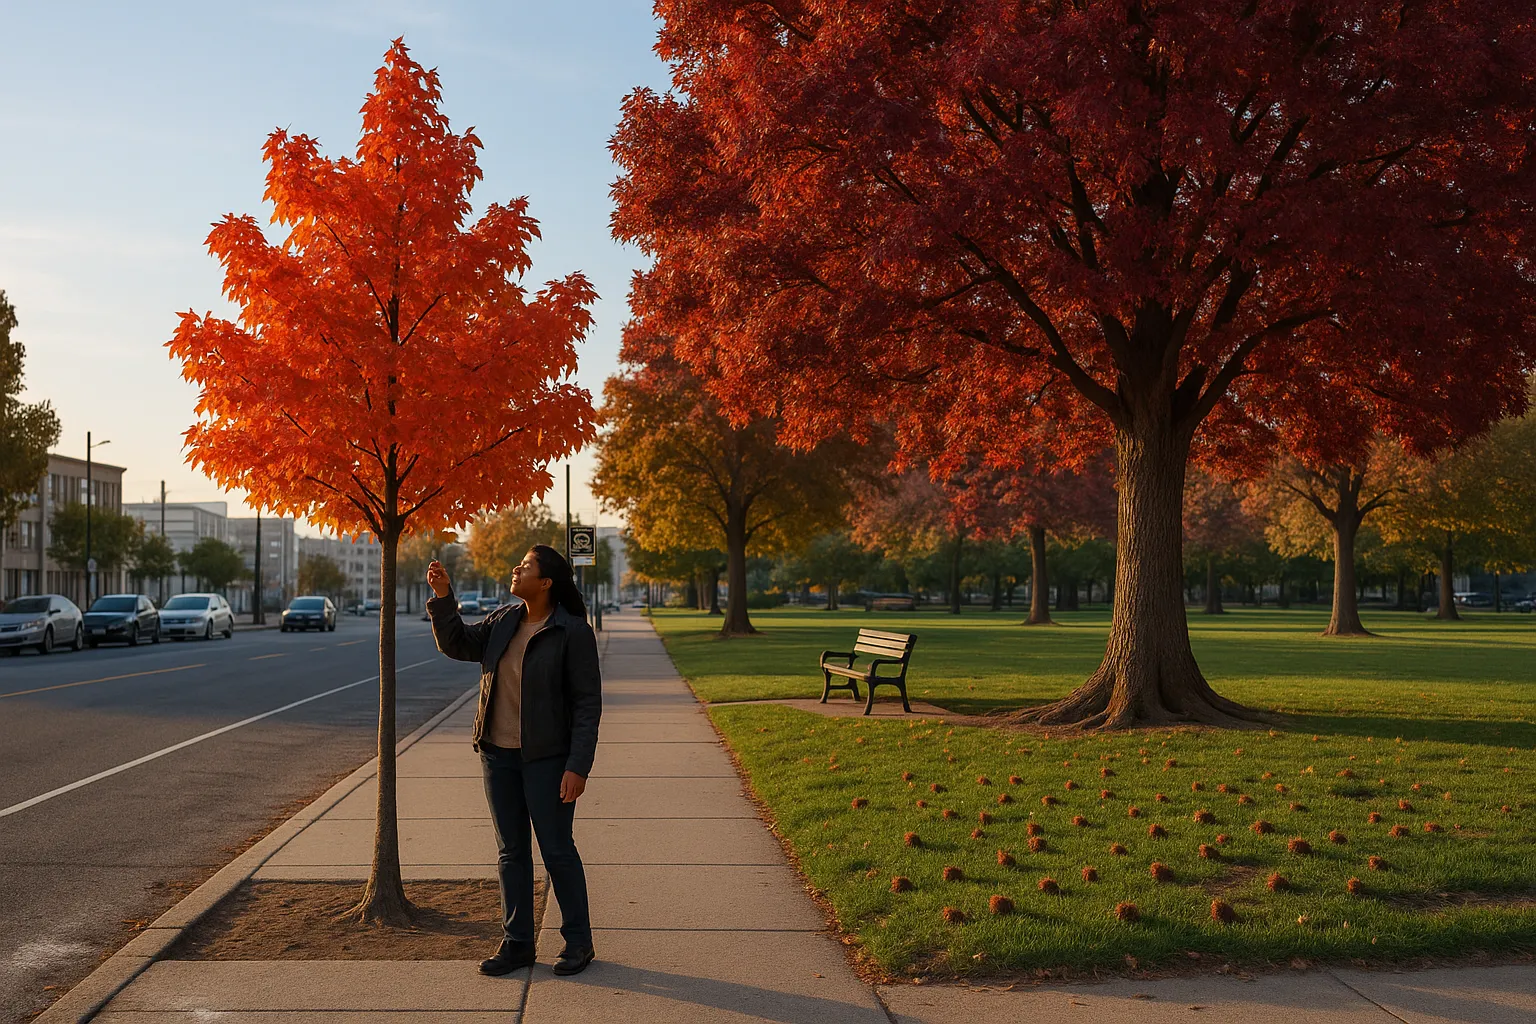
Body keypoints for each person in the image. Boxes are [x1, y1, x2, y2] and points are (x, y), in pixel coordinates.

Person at [426, 544, 601, 977]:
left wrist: (578, 766)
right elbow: (457, 644)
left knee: (558, 851)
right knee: (511, 852)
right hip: (497, 756)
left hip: (548, 760)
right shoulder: (504, 620)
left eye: (524, 566)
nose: (515, 569)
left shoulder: (572, 632)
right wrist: (444, 597)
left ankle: (578, 942)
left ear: (545, 583)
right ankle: (518, 942)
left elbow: (587, 705)